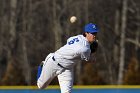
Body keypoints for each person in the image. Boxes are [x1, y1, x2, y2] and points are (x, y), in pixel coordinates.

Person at [37, 23, 99, 93]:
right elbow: (88, 58)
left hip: (67, 69)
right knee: (41, 86)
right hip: (54, 62)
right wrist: (92, 52)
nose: (94, 36)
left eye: (95, 33)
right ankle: (43, 65)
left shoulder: (78, 37)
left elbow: (69, 40)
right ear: (86, 33)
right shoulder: (85, 49)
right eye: (92, 33)